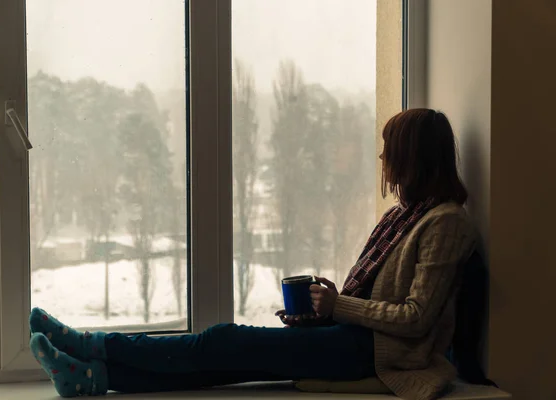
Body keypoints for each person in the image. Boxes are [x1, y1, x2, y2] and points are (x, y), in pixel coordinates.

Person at [29, 108, 477, 400]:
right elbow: (379, 303)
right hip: (354, 340)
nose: (383, 159)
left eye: (390, 151)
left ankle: (91, 344)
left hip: (376, 355)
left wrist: (339, 306)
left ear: (414, 158)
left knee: (225, 342)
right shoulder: (404, 215)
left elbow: (417, 316)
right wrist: (324, 314)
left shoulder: (445, 222)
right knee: (226, 357)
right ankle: (92, 380)